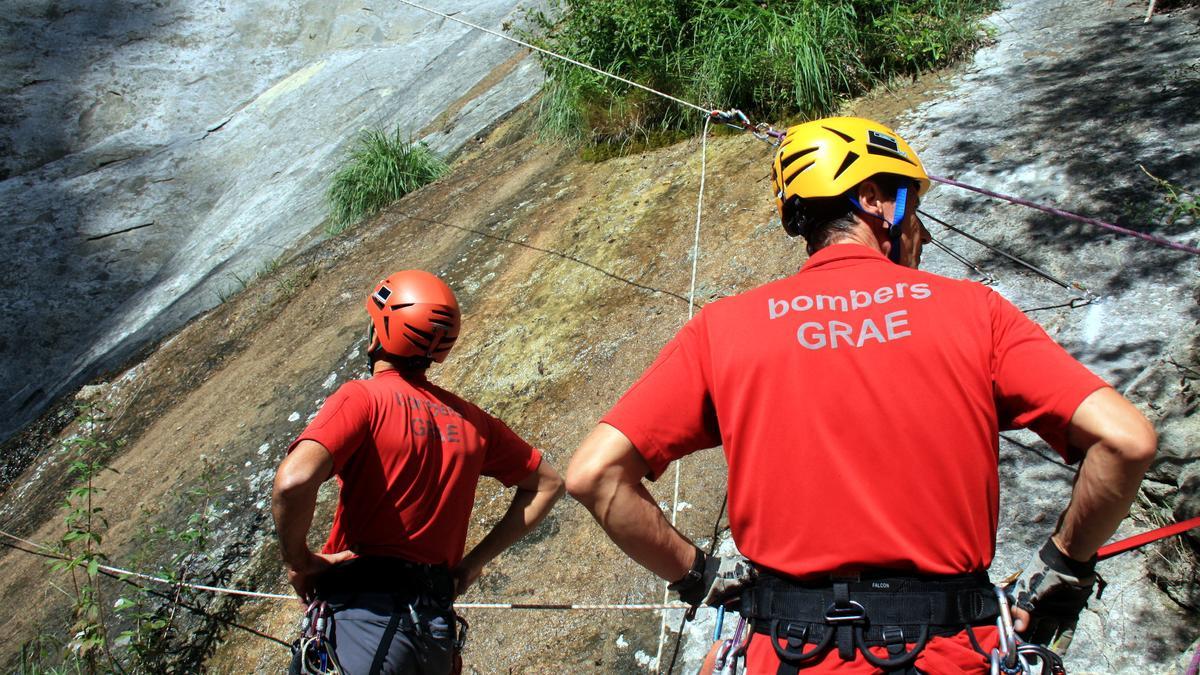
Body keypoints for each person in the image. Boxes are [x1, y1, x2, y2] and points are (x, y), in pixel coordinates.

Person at [566, 117, 1156, 674]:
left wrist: (697, 577)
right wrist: (1063, 565)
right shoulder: (976, 312)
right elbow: (1125, 441)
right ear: (875, 200)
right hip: (946, 651)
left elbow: (595, 474)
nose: (919, 232)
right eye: (913, 208)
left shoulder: (722, 329)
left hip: (786, 652)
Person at [272, 269, 564, 675]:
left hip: (364, 621)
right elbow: (548, 484)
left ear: (381, 333)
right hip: (433, 633)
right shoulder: (472, 421)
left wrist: (299, 560)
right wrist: (472, 563)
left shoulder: (362, 398)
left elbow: (293, 480)